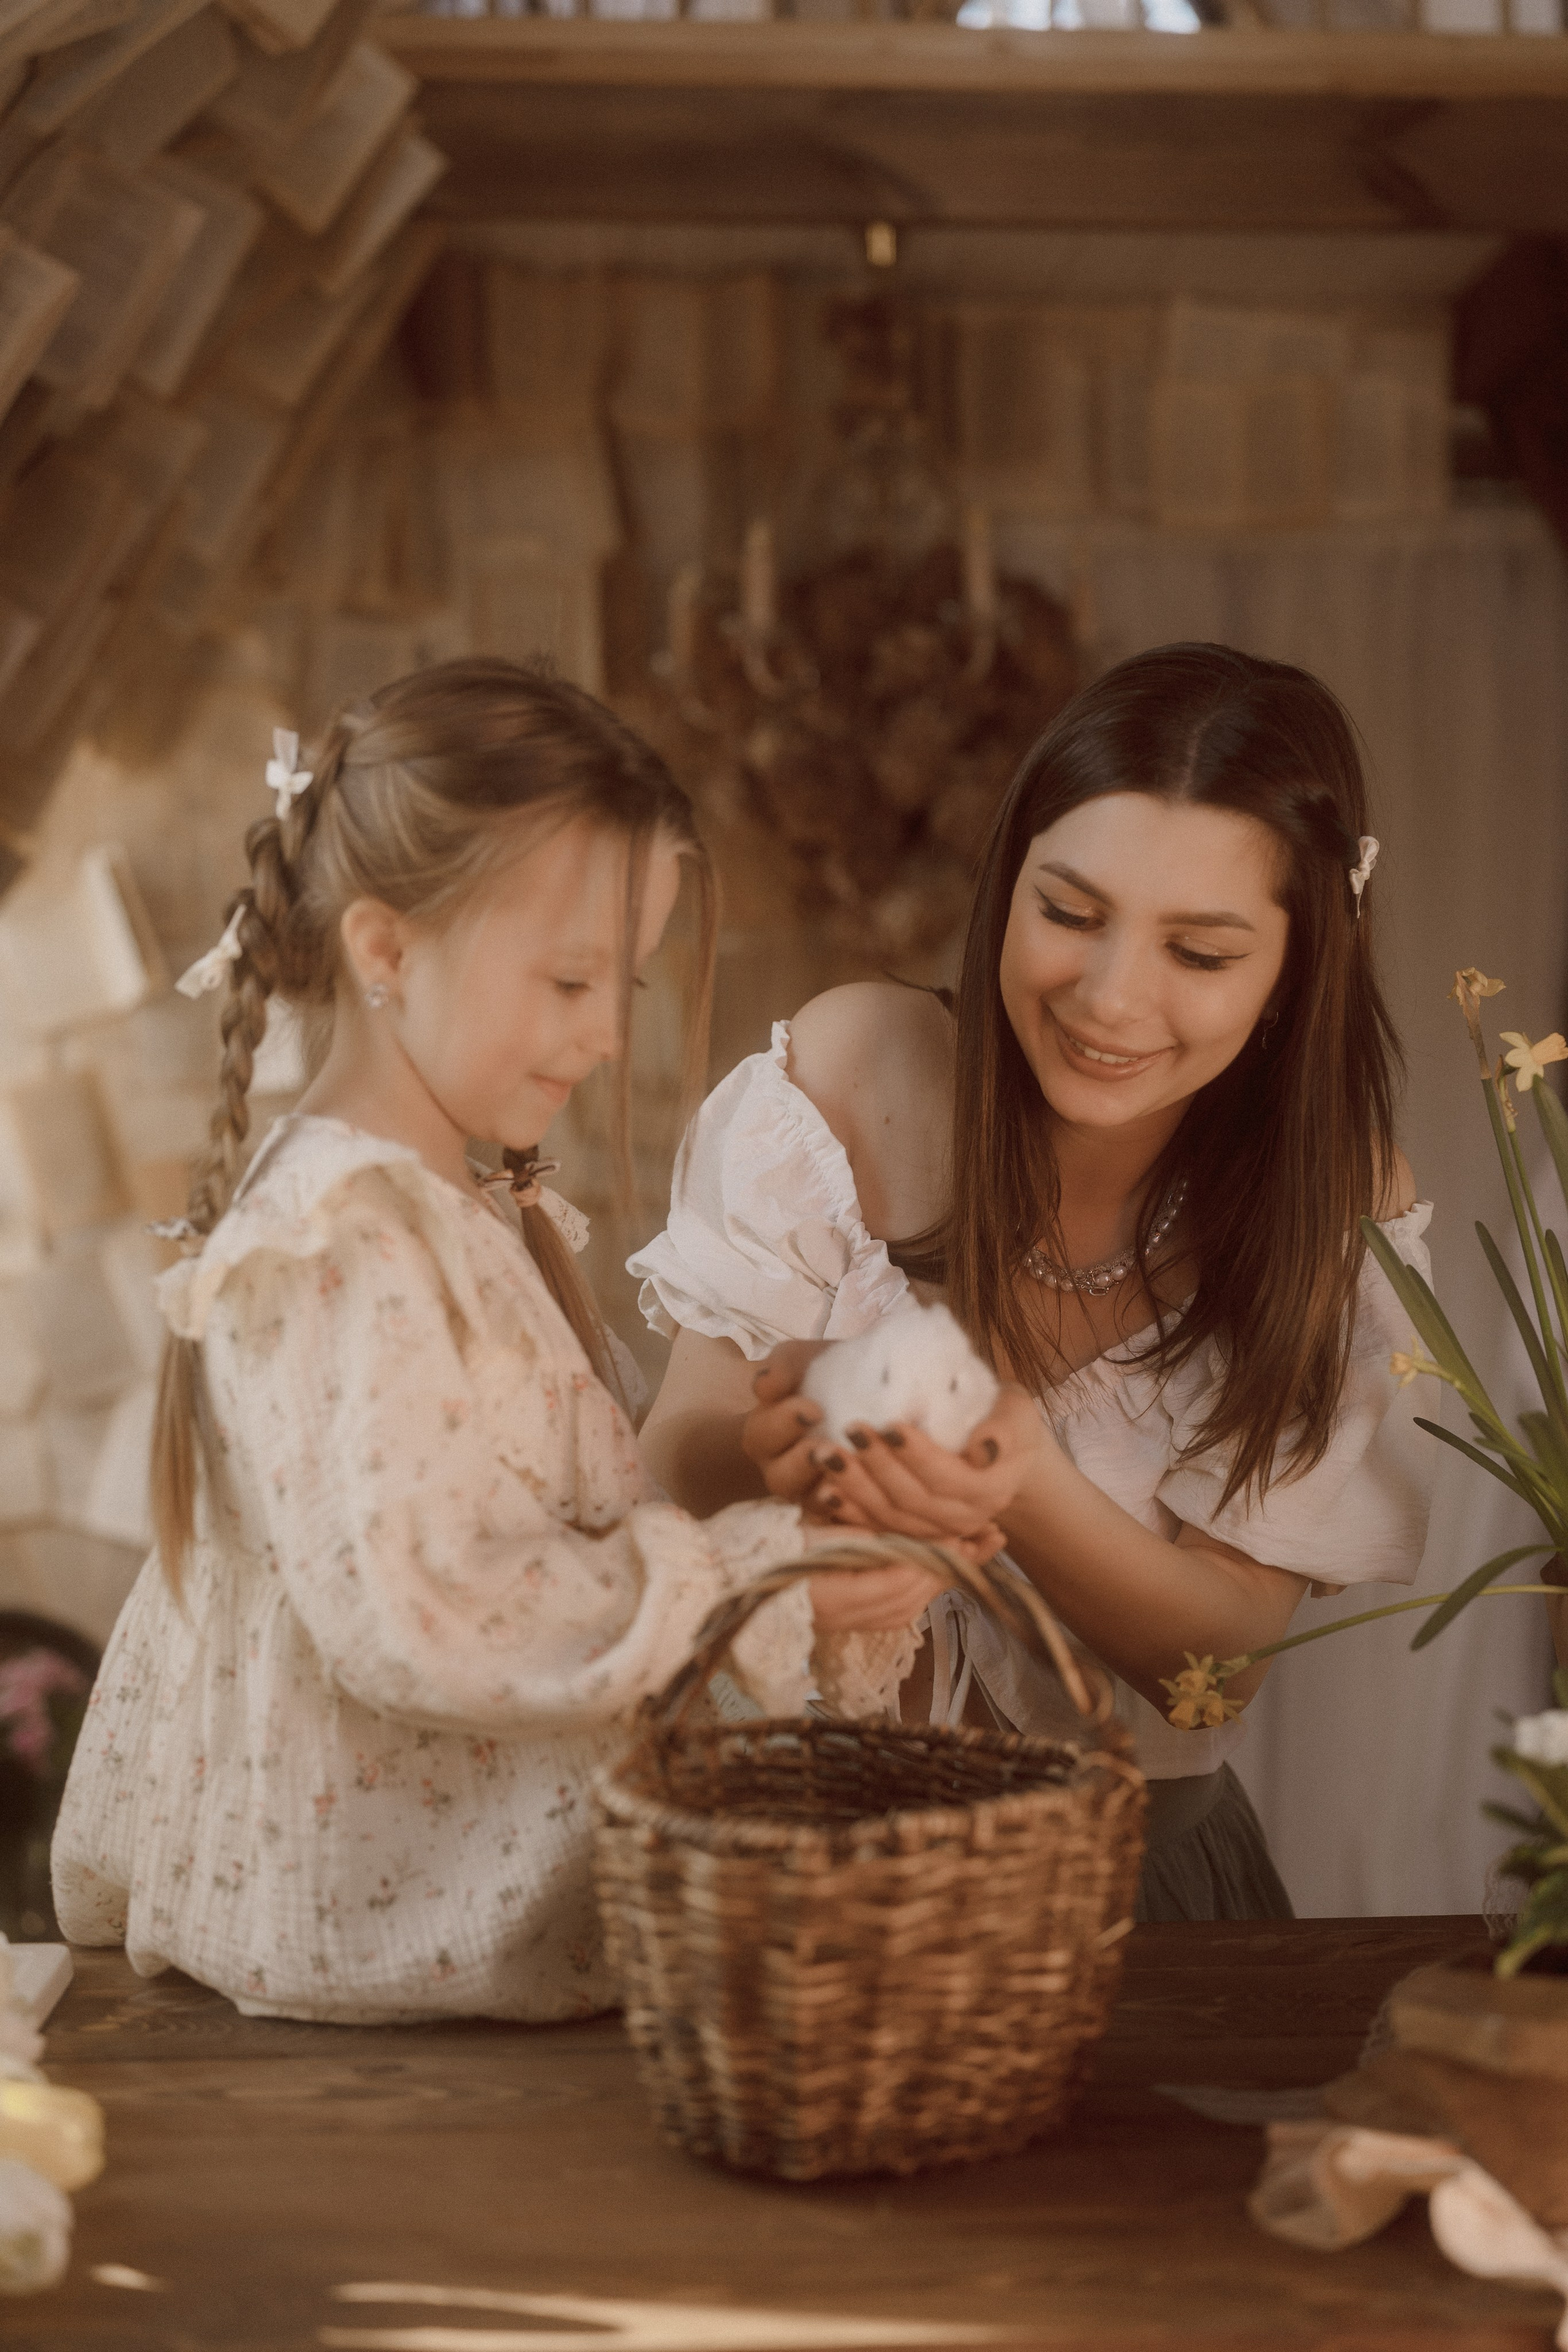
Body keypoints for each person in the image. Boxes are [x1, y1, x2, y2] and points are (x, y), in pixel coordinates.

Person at [51, 660, 951, 2024]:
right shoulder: (341, 1244)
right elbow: (438, 1610)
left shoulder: (454, 1206)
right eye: (571, 980)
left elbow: (542, 1512)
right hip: (374, 1936)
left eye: (621, 987)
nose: (606, 1035)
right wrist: (759, 1581)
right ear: (387, 952)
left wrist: (798, 1513)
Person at [633, 643, 1434, 1921]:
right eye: (1068, 913)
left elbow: (1216, 1676)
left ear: (1296, 970)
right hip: (802, 1875)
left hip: (1135, 1900)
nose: (1109, 999)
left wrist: (1011, 1478)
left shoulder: (1339, 1202)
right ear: (1007, 884)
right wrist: (791, 1454)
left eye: (1200, 953)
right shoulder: (856, 1066)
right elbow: (678, 1447)